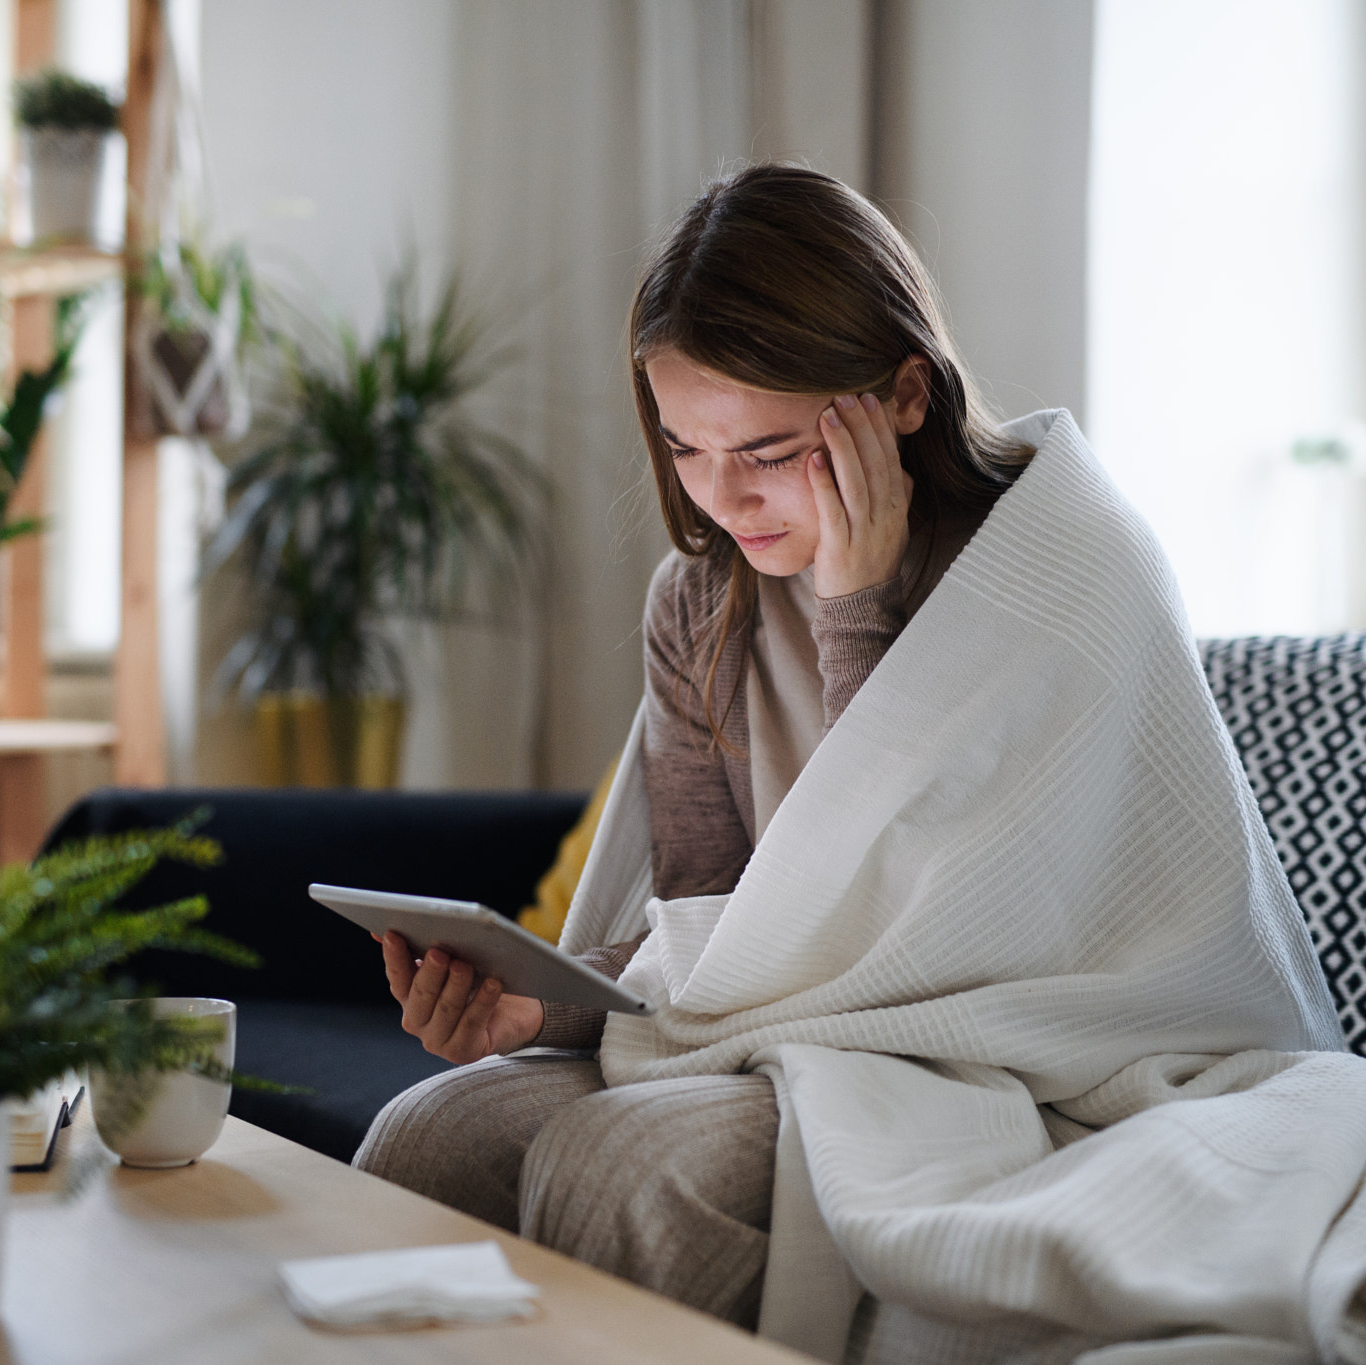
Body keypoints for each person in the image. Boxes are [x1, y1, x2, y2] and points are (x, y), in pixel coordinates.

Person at [353, 163, 1034, 1327]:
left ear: (905, 396)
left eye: (767, 450)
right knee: (428, 1131)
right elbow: (710, 925)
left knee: (618, 1164)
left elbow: (911, 934)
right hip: (764, 1032)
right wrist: (538, 1010)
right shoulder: (700, 603)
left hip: (959, 1053)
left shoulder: (1033, 569)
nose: (725, 500)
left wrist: (854, 610)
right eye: (683, 447)